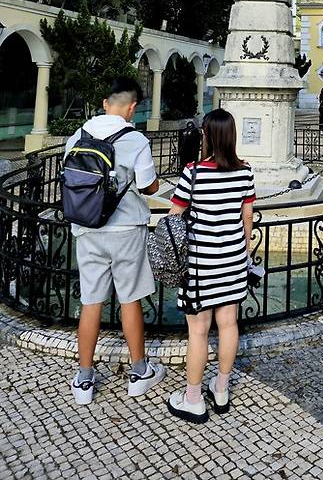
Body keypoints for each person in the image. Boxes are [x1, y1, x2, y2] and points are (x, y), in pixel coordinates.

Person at [67, 77, 166, 405]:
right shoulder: (135, 139)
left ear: (106, 103)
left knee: (90, 301)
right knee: (130, 299)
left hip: (87, 228)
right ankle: (139, 371)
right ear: (133, 107)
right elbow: (149, 186)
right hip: (125, 229)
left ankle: (84, 378)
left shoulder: (77, 137)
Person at [167, 109, 255, 423]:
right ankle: (220, 388)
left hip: (201, 264)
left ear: (207, 135)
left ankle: (193, 398)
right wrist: (240, 251)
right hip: (232, 260)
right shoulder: (245, 172)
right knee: (229, 323)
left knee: (199, 331)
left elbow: (174, 217)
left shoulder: (194, 172)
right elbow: (247, 219)